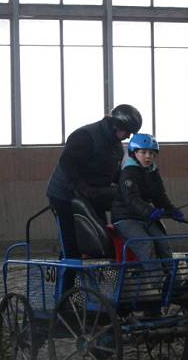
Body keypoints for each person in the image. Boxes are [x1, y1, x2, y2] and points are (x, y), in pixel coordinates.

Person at [46, 104, 142, 261]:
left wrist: (130, 184)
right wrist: (80, 187)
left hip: (93, 194)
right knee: (72, 243)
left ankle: (100, 281)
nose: (128, 136)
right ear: (116, 125)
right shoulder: (85, 136)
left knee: (100, 241)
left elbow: (113, 173)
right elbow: (67, 163)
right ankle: (67, 282)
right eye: (127, 131)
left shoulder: (115, 145)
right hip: (64, 196)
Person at [111, 133, 184, 264]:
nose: (148, 156)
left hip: (144, 217)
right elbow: (132, 200)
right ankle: (153, 279)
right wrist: (151, 212)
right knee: (145, 244)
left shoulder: (153, 172)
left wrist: (172, 210)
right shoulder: (128, 173)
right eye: (143, 152)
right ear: (134, 153)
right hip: (125, 218)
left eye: (151, 153)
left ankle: (170, 279)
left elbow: (159, 196)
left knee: (163, 242)